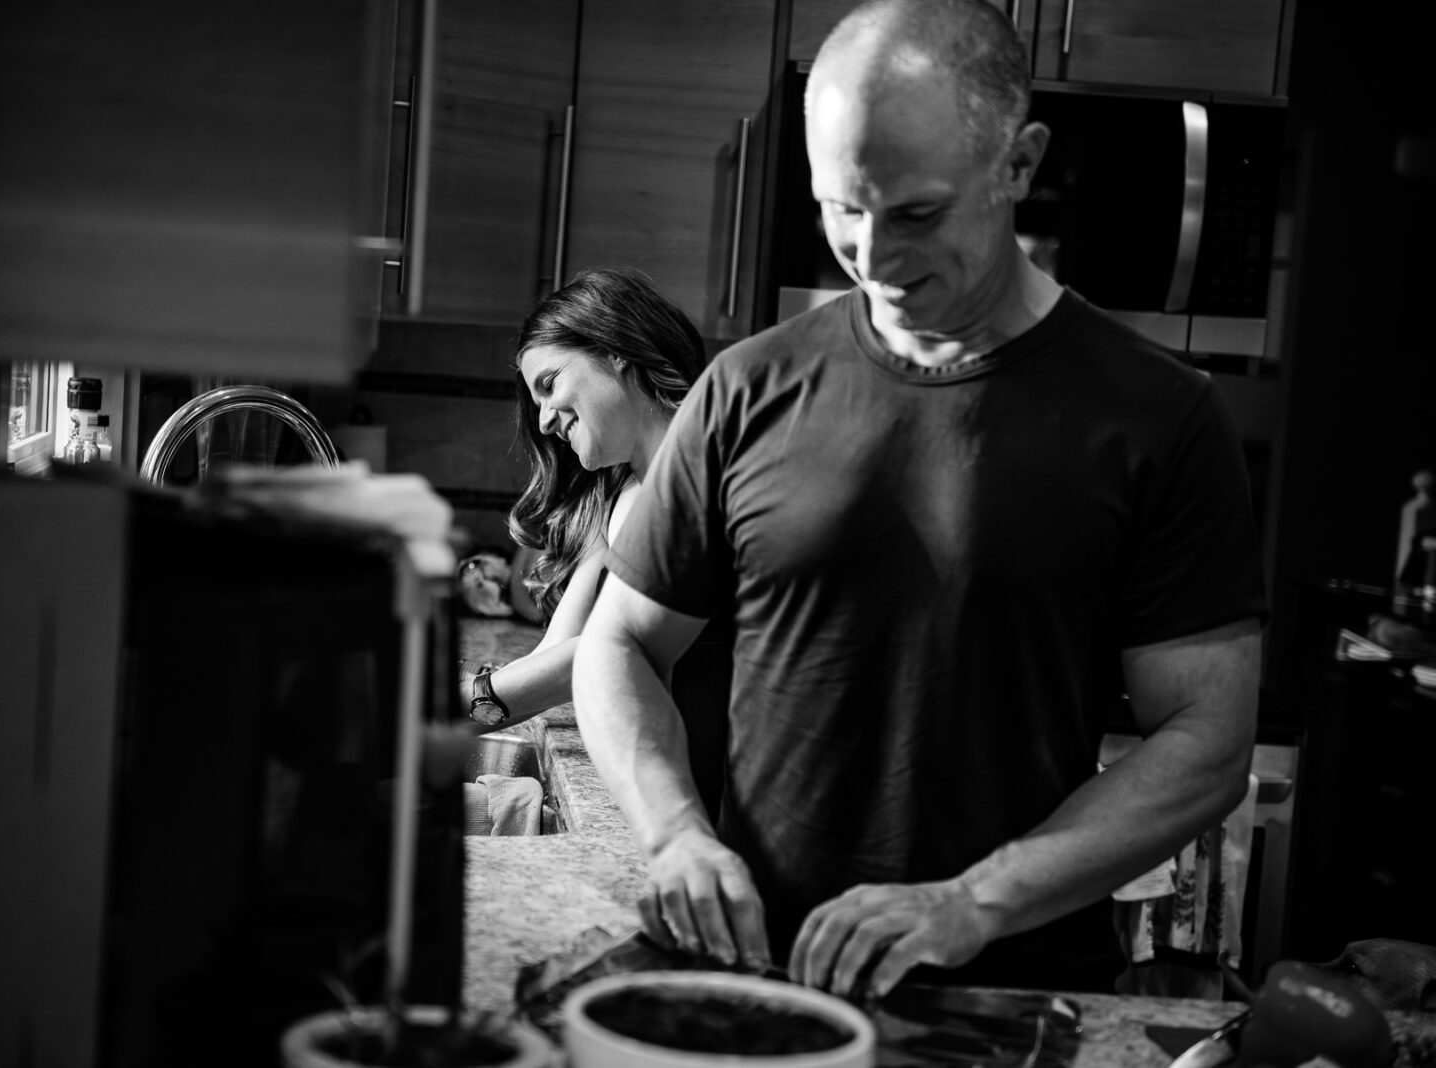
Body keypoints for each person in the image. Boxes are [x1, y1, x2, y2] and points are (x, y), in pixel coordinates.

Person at [572, 0, 1265, 997]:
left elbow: (1206, 741)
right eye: (840, 208)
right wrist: (675, 832)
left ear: (1019, 163)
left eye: (917, 213)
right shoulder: (745, 388)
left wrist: (972, 901)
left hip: (1010, 994)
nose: (873, 256)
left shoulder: (1162, 417)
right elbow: (621, 642)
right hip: (757, 977)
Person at [461, 267, 733, 821]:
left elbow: (608, 648)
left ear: (616, 352)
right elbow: (560, 650)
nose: (541, 420)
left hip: (718, 804)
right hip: (664, 793)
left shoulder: (710, 472)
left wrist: (466, 699)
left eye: (549, 383)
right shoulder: (621, 489)